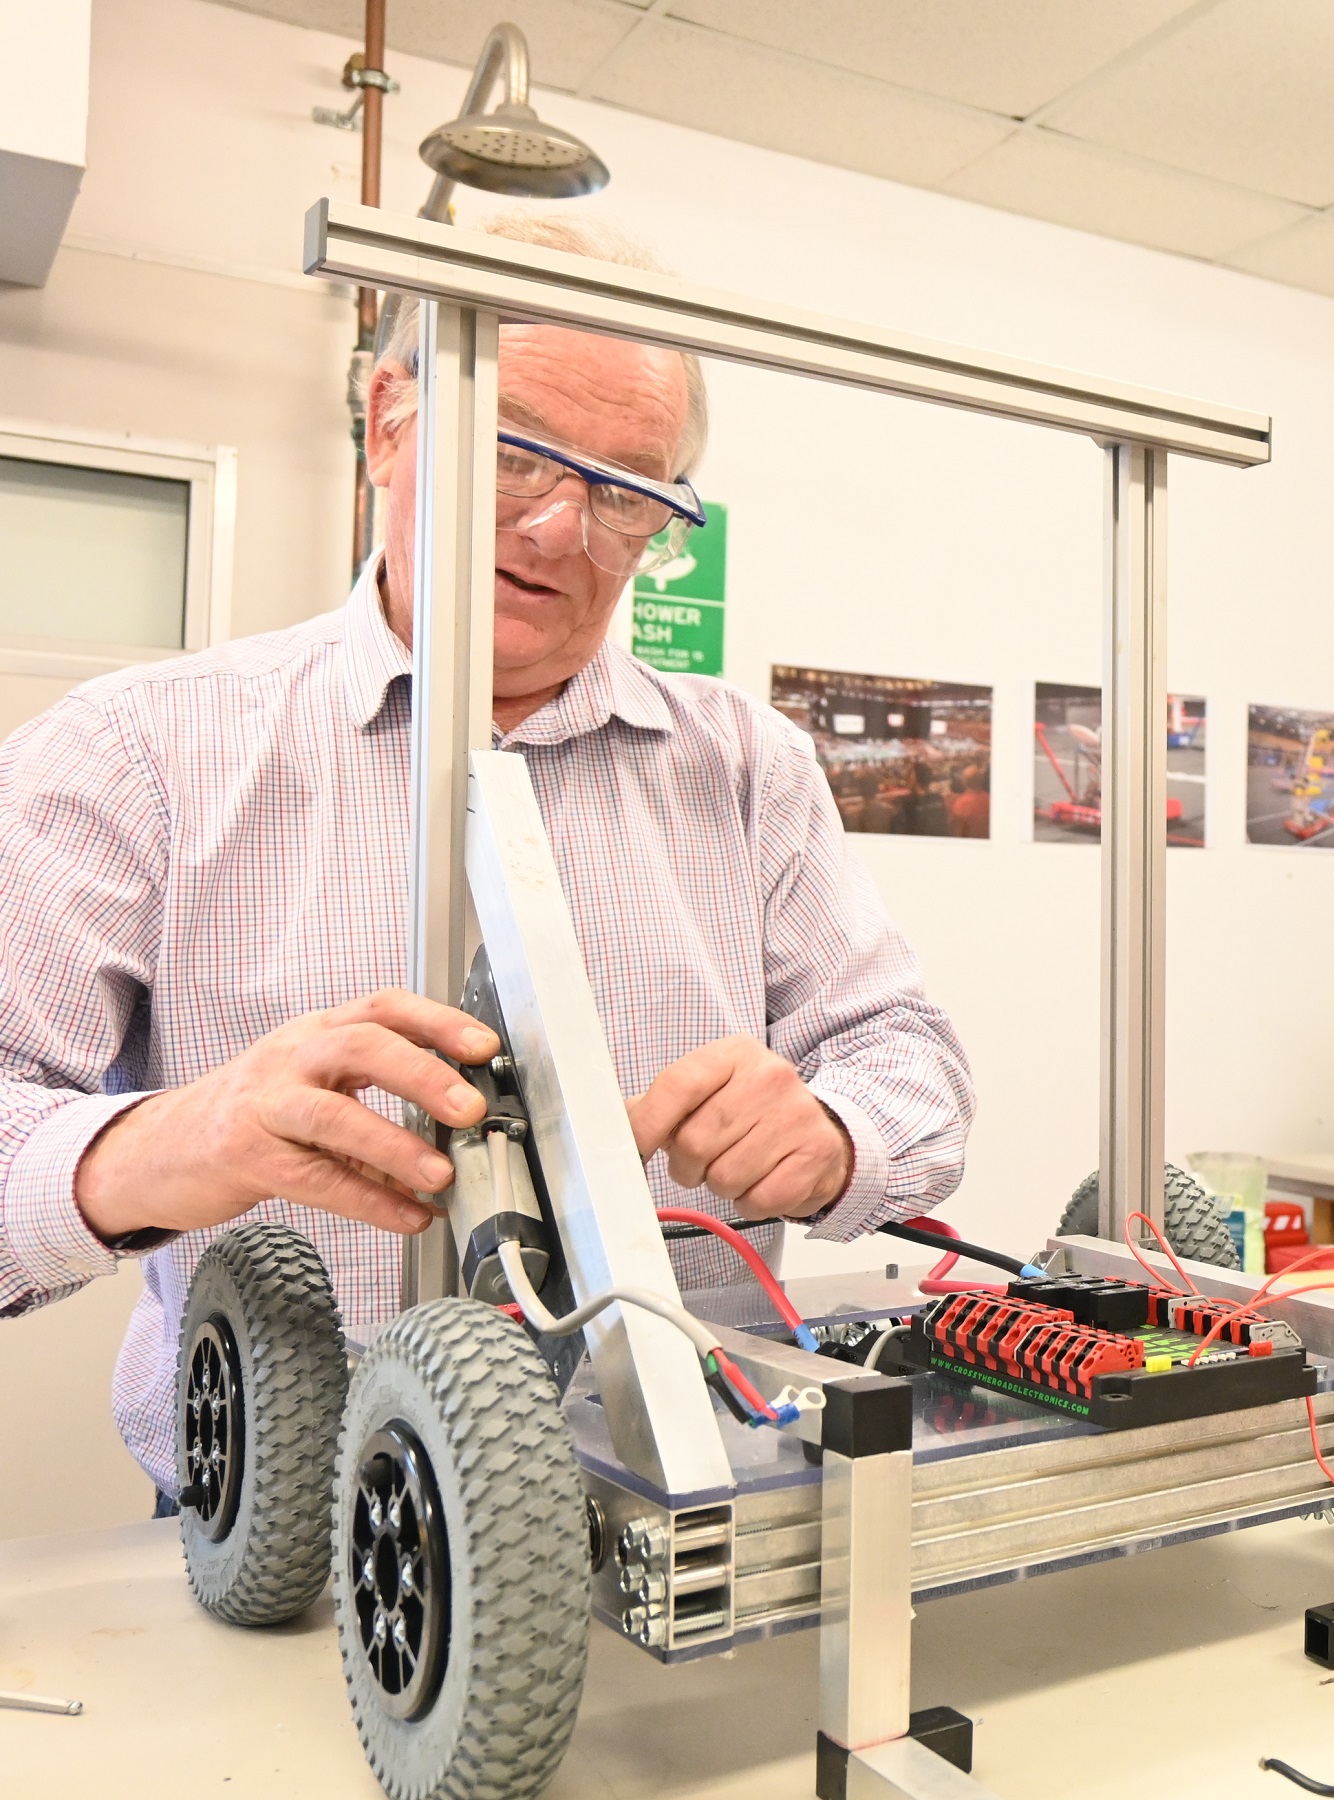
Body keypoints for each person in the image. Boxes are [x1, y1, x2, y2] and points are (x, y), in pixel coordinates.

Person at [0, 212, 974, 1507]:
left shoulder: (747, 767)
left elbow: (908, 1053)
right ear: (393, 420)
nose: (564, 531)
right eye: (518, 457)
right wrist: (180, 1140)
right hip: (296, 1551)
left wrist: (839, 1133)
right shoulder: (139, 754)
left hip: (684, 1503)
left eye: (626, 493)